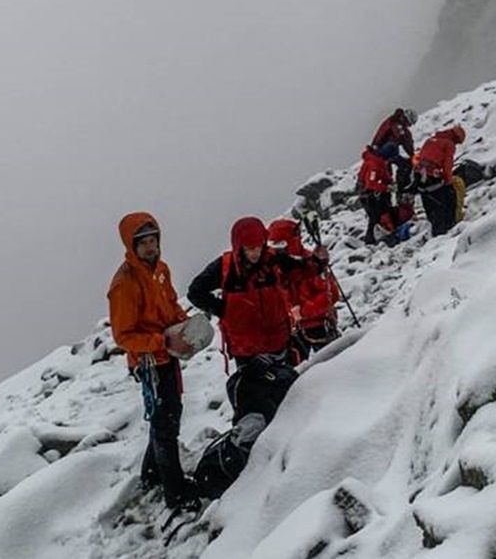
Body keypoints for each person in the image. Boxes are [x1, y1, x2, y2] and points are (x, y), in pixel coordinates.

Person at [186, 217, 327, 499]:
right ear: (239, 247)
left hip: (278, 341)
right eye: (250, 248)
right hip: (247, 349)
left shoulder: (273, 259)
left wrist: (318, 263)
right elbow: (195, 291)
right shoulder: (224, 267)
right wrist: (222, 309)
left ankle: (287, 445)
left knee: (286, 395)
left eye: (259, 246)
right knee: (255, 400)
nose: (255, 252)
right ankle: (251, 454)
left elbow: (300, 270)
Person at [107, 212, 200, 512]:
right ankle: (176, 493)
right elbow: (123, 336)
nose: (150, 247)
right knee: (165, 424)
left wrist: (184, 324)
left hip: (168, 354)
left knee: (166, 416)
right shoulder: (125, 283)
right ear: (131, 246)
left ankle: (151, 475)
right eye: (143, 243)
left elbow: (170, 305)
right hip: (149, 362)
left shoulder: (161, 270)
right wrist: (159, 342)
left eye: (153, 240)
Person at [267, 218, 340, 364]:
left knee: (336, 364)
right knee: (293, 373)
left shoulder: (311, 264)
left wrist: (302, 312)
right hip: (292, 330)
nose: (277, 249)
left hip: (319, 325)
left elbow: (330, 294)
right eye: (274, 245)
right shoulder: (274, 268)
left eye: (280, 244)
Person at [416, 124, 466, 236]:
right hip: (433, 177)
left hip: (420, 176)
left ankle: (435, 228)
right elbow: (447, 165)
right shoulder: (449, 144)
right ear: (456, 138)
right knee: (447, 200)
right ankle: (446, 230)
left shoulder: (430, 140)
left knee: (429, 202)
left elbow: (420, 158)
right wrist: (448, 180)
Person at [371, 108, 417, 194]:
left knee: (405, 165)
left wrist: (412, 155)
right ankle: (398, 188)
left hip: (382, 152)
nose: (409, 125)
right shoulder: (395, 123)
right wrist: (412, 154)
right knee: (393, 151)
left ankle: (401, 187)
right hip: (382, 152)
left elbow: (407, 141)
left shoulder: (397, 124)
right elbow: (403, 139)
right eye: (409, 123)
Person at [357, 145, 396, 244]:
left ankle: (380, 237)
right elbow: (371, 183)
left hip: (375, 194)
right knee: (375, 217)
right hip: (369, 195)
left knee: (381, 214)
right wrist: (386, 188)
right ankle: (371, 241)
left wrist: (389, 183)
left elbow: (384, 176)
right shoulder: (374, 165)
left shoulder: (378, 162)